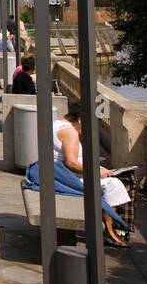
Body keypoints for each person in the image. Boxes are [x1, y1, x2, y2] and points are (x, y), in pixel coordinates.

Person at [50, 101, 131, 248]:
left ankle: (112, 227)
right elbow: (71, 163)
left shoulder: (56, 124)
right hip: (67, 179)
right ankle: (108, 230)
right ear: (80, 119)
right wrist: (95, 171)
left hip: (59, 176)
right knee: (117, 184)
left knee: (114, 181)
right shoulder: (70, 132)